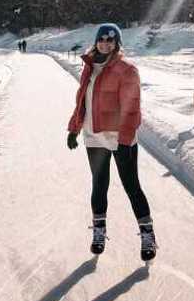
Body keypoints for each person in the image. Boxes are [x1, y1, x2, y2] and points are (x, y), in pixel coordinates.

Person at [65, 23, 156, 260]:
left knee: (131, 186)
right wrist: (74, 128)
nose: (105, 43)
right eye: (102, 39)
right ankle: (98, 232)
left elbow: (132, 107)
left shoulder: (127, 70)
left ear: (117, 44)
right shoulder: (89, 67)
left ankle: (148, 235)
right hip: (93, 136)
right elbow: (82, 100)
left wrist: (126, 138)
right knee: (99, 184)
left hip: (119, 138)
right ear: (96, 41)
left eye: (111, 40)